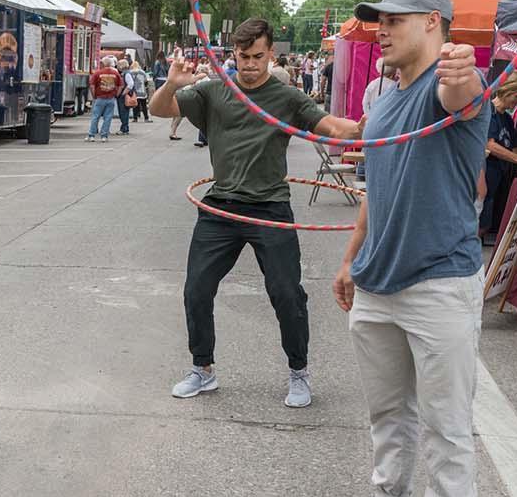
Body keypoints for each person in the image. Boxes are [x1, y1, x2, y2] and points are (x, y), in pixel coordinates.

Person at [320, 0, 491, 497]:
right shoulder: (385, 101)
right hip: (377, 281)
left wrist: (463, 73)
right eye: (377, 21)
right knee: (388, 411)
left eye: (394, 19)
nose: (380, 30)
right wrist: (349, 259)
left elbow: (462, 97)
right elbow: (378, 187)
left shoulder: (446, 89)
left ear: (433, 24)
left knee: (447, 418)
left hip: (440, 278)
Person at [152, 20, 364, 408]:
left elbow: (329, 126)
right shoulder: (215, 91)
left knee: (286, 293)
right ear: (233, 54)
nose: (249, 65)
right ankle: (203, 369)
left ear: (271, 54)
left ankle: (298, 372)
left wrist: (362, 129)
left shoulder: (286, 97)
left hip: (270, 205)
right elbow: (159, 109)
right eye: (243, 56)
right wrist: (171, 84)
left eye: (258, 57)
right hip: (220, 207)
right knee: (196, 288)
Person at [479, 72, 517, 238]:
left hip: (496, 182)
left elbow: (512, 149)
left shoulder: (507, 120)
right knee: (478, 225)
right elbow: (490, 144)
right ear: (507, 90)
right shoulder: (487, 111)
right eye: (516, 97)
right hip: (483, 179)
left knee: (485, 224)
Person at [87, 56, 124, 142]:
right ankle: (104, 136)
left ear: (103, 64)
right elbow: (121, 85)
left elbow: (92, 86)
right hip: (111, 98)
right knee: (108, 118)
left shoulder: (97, 73)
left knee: (95, 116)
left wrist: (94, 96)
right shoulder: (116, 74)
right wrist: (116, 94)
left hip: (100, 98)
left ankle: (91, 135)